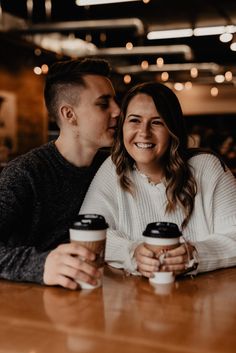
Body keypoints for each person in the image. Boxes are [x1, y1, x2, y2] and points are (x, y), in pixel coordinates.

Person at [80, 81, 236, 279]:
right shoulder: (114, 168)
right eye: (135, 120)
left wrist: (195, 254)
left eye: (157, 122)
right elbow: (89, 235)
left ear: (172, 129)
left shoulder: (207, 168)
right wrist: (132, 253)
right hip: (136, 300)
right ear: (122, 126)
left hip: (204, 299)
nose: (144, 132)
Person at [0, 58, 120, 289]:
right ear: (69, 114)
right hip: (31, 305)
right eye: (103, 104)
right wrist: (41, 264)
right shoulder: (25, 173)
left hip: (99, 296)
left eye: (115, 101)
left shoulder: (111, 167)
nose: (117, 110)